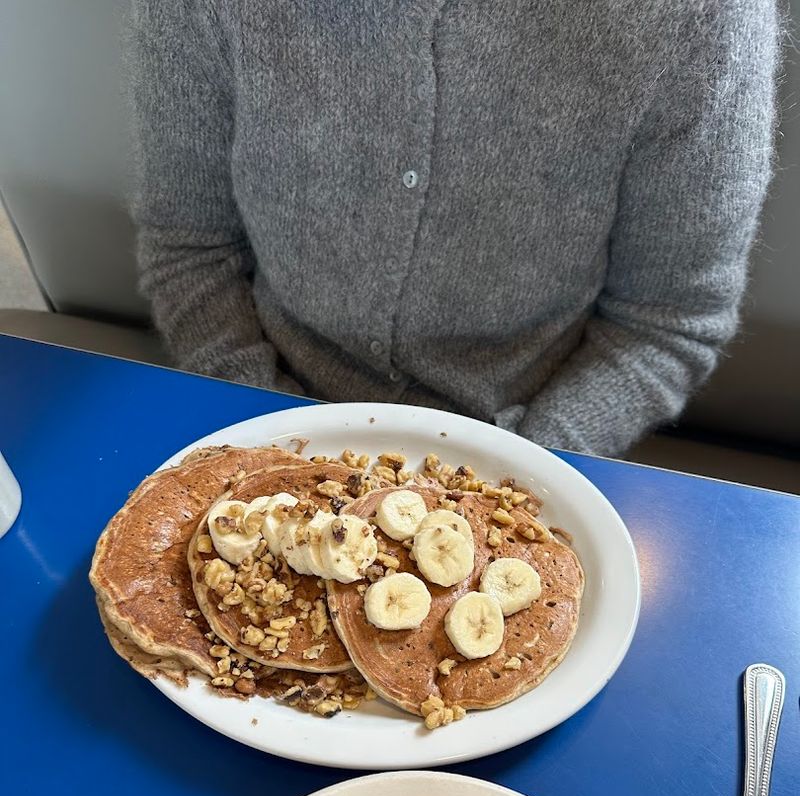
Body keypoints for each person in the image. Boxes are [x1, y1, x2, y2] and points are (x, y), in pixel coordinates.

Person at [130, 1, 779, 456]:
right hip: (259, 418)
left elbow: (665, 322)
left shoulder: (699, 18)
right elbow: (192, 246)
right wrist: (270, 447)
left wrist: (518, 479)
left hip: (529, 445)